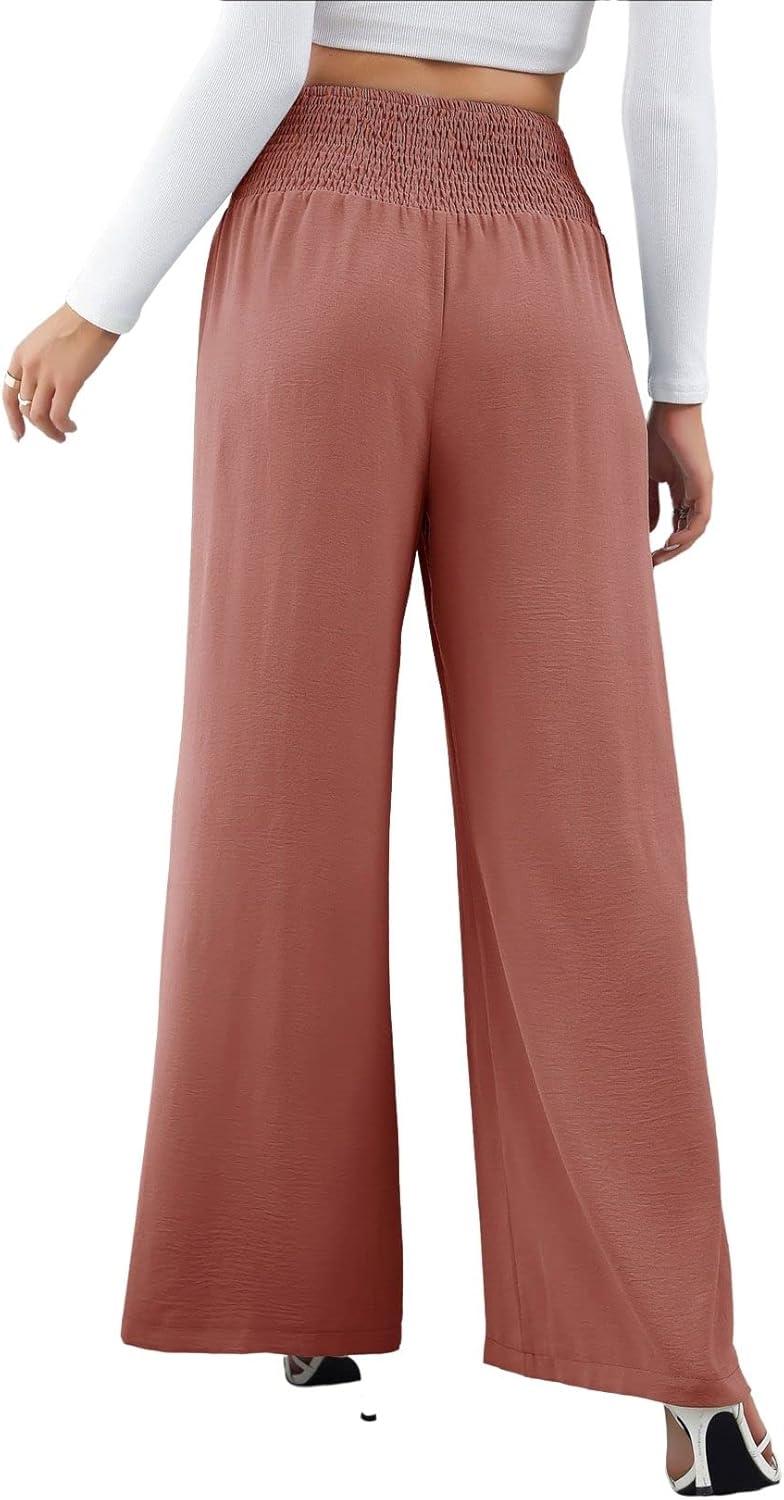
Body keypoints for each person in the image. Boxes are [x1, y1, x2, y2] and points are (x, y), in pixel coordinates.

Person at [4, 3, 778, 1491]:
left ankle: (281, 1280)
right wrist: (679, 383)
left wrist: (97, 304)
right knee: (590, 824)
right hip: (538, 266)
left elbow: (262, 48)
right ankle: (688, 1377)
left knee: (273, 790)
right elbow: (670, 102)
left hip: (315, 245)